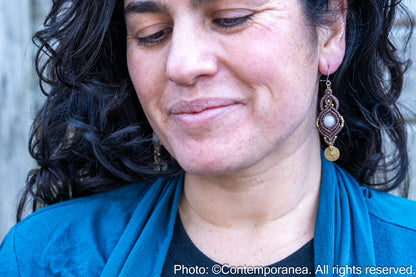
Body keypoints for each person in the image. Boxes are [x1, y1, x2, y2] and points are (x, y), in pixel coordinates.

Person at [1, 0, 415, 276]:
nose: (181, 64)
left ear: (330, 32)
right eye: (150, 32)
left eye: (230, 17)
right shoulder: (41, 257)